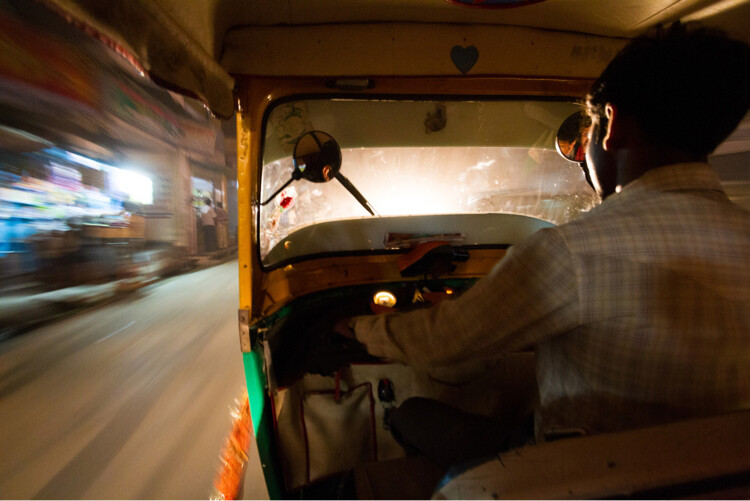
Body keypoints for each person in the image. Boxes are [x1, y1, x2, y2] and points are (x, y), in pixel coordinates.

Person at [335, 23, 750, 468]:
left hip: (574, 473)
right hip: (716, 479)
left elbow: (443, 340)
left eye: (587, 130)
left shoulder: (574, 252)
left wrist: (354, 329)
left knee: (413, 414)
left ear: (613, 125)